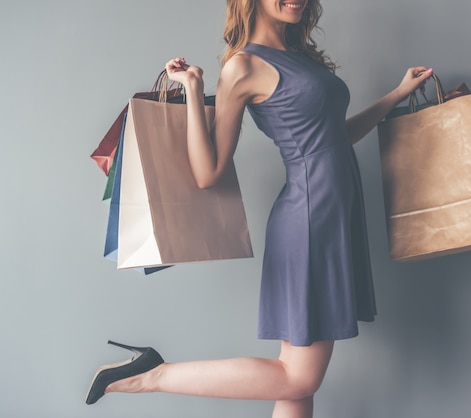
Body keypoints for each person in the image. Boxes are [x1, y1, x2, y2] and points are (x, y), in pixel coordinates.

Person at [86, 0, 432, 416]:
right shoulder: (243, 67)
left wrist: (396, 94)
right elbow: (208, 172)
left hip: (333, 216)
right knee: (300, 377)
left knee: (296, 386)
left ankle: (152, 372)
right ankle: (152, 374)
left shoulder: (300, 57)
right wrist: (194, 90)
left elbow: (334, 138)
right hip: (310, 220)